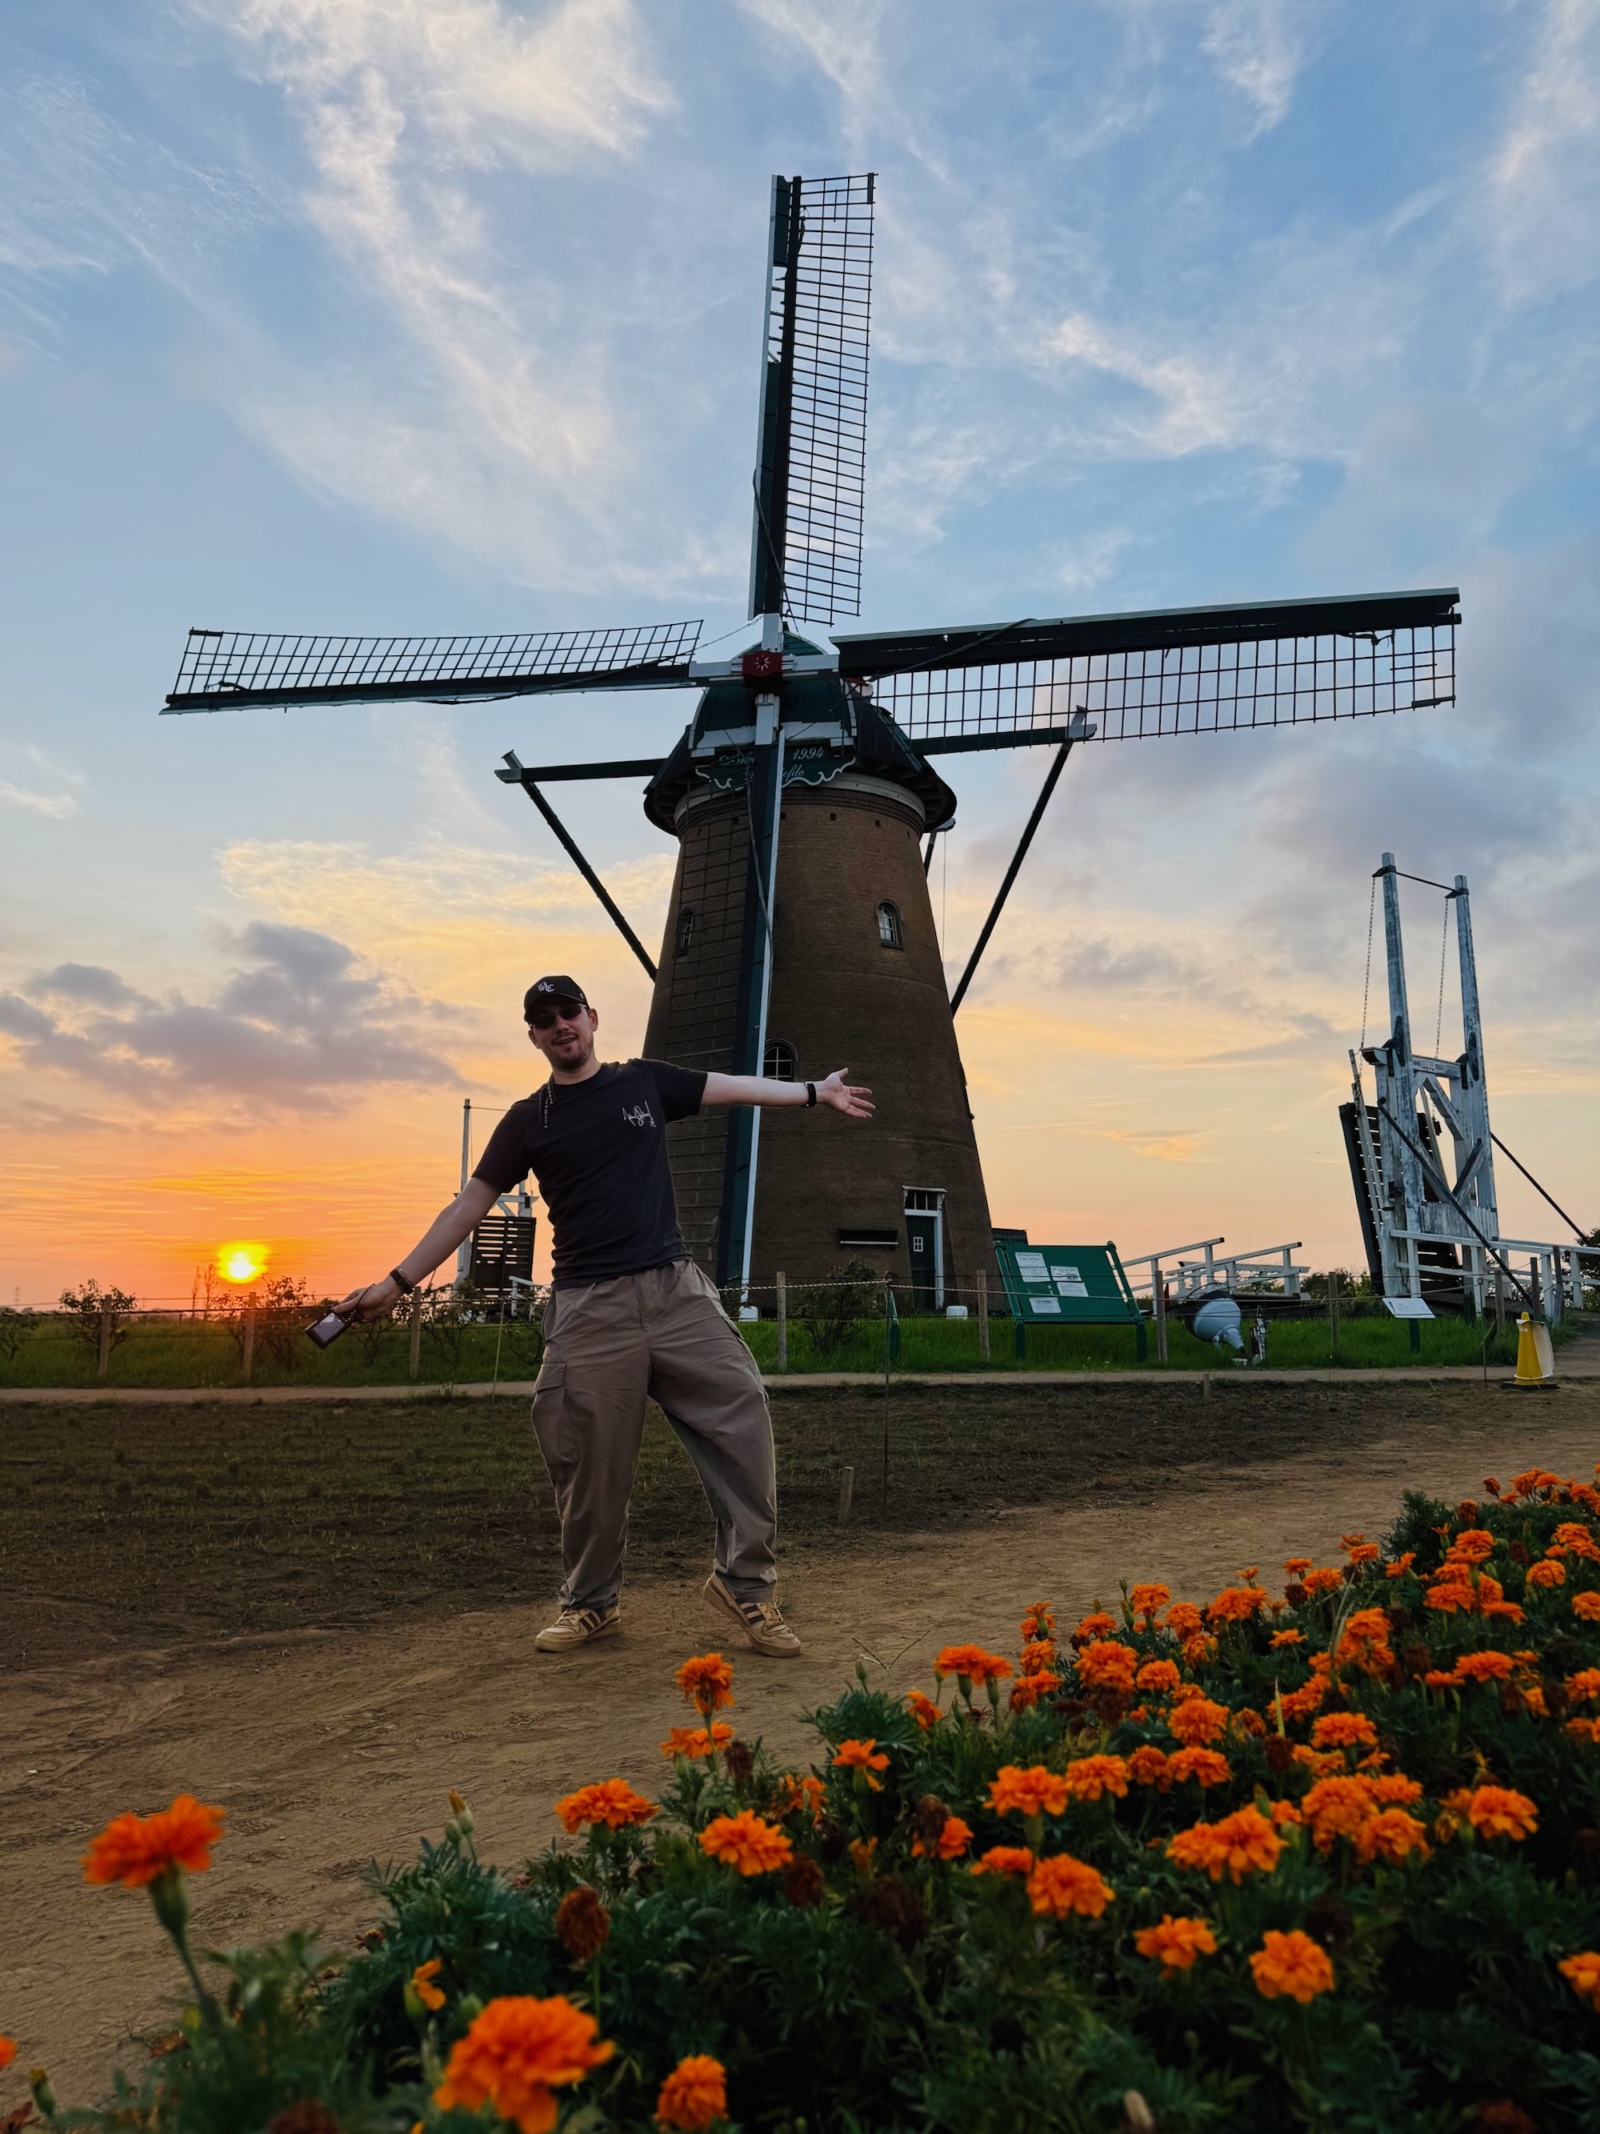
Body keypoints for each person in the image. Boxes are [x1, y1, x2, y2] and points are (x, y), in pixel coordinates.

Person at [337, 975, 873, 1657]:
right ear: (534, 1037)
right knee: (587, 1463)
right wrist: (396, 1283)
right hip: (590, 1307)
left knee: (744, 1422)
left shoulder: (643, 1082)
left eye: (569, 1012)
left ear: (592, 1018)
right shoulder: (527, 1121)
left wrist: (813, 1093)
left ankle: (745, 1586)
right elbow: (468, 1205)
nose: (560, 1025)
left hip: (676, 1292)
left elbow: (733, 1088)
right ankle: (591, 1604)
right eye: (545, 1020)